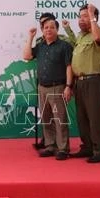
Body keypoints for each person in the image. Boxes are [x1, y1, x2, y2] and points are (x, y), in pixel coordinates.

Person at [23, 15, 73, 160]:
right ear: (42, 31)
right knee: (46, 118)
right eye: (46, 28)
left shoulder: (64, 46)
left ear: (57, 29)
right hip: (42, 88)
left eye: (52, 27)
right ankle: (50, 145)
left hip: (57, 87)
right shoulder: (40, 46)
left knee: (60, 118)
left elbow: (69, 67)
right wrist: (31, 37)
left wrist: (68, 86)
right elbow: (26, 56)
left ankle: (63, 148)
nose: (48, 30)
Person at [66, 4, 100, 163]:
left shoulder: (99, 32)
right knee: (82, 117)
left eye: (85, 16)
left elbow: (97, 39)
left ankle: (99, 150)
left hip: (93, 81)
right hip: (79, 82)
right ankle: (87, 147)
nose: (81, 19)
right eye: (80, 16)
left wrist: (91, 15)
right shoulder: (80, 37)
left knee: (95, 117)